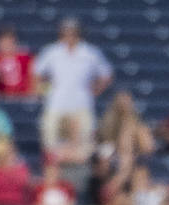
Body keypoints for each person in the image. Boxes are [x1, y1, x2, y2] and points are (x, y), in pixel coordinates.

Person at [32, 20, 112, 151]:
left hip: (82, 103)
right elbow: (37, 72)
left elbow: (106, 73)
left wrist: (96, 89)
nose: (69, 36)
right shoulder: (52, 52)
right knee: (49, 138)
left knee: (85, 140)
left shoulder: (89, 52)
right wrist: (42, 91)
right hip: (56, 103)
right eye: (66, 33)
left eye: (72, 33)